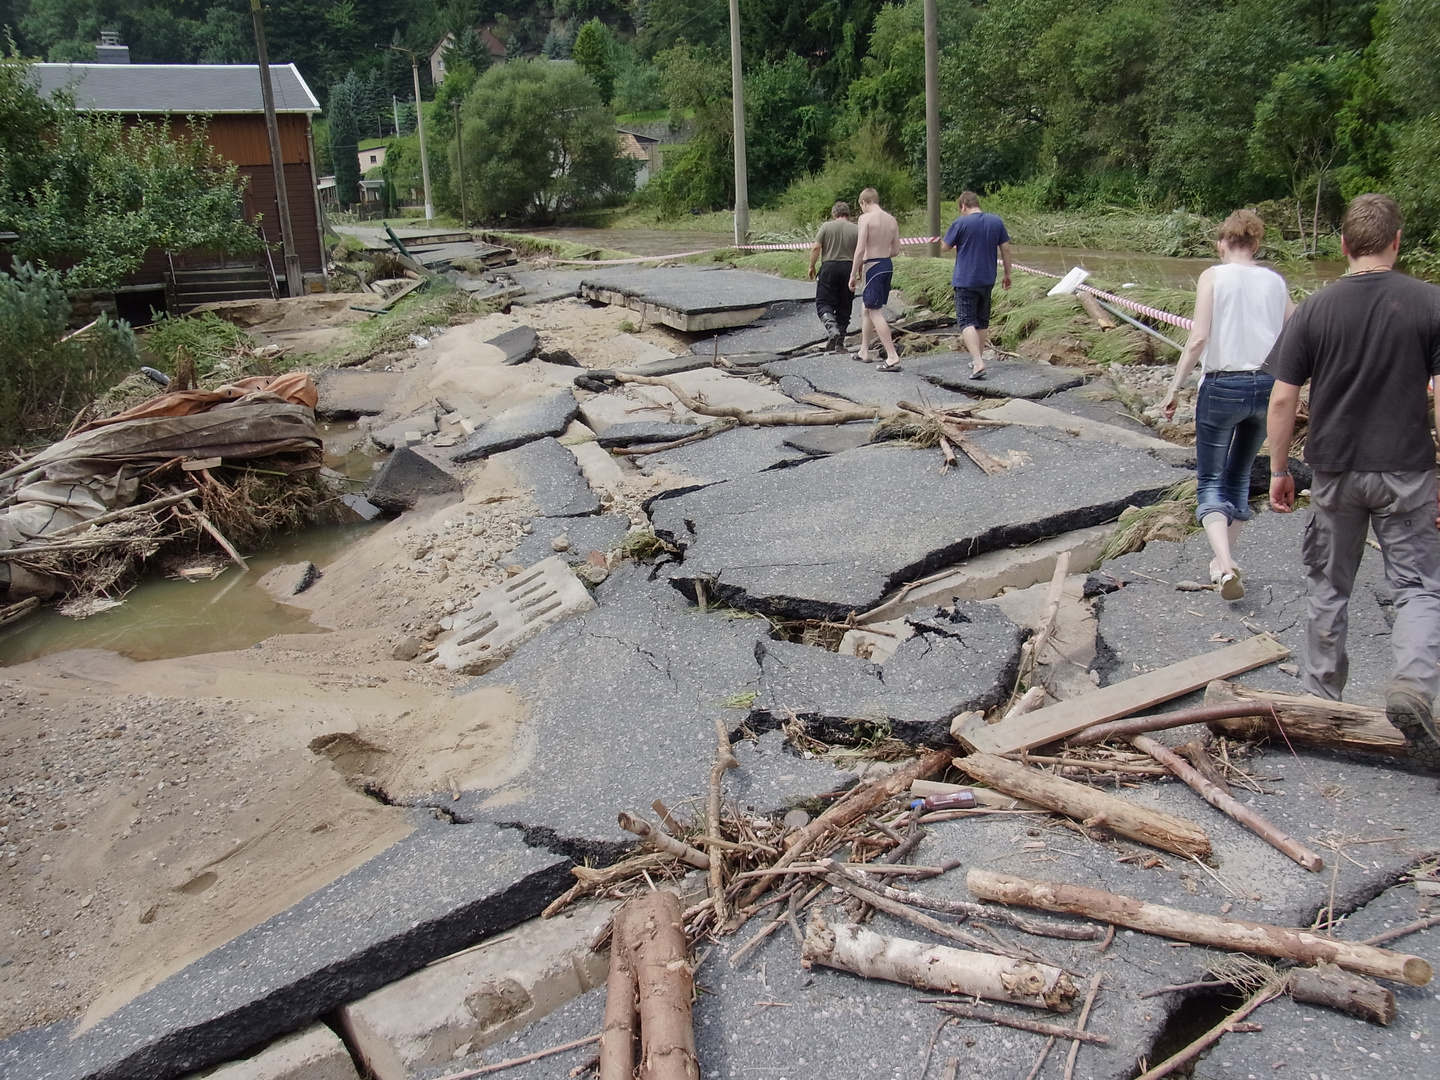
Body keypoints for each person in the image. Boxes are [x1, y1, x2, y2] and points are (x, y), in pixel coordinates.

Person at [1265, 193, 1440, 768]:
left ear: (1342, 246)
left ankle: (1322, 700)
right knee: (1418, 586)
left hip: (1336, 469)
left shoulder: (1316, 308)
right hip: (1408, 469)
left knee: (1328, 586)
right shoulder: (1429, 303)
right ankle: (1413, 684)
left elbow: (1284, 396)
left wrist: (1279, 469)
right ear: (1396, 242)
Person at [1160, 209, 1294, 602]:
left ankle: (1224, 561)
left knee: (1210, 481)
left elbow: (1199, 338)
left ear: (1222, 243)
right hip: (1268, 385)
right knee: (1239, 478)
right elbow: (1298, 326)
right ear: (1256, 244)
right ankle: (1224, 563)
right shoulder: (1274, 280)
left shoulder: (1213, 276)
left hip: (1222, 385)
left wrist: (1174, 386)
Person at [941, 191, 1012, 379]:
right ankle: (977, 359)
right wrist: (1007, 273)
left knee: (966, 321)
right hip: (988, 278)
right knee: (981, 321)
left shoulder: (960, 223)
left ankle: (978, 362)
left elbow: (945, 247)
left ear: (963, 206)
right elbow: (1005, 248)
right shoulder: (996, 221)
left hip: (965, 279)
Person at [848, 188, 903, 371]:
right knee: (867, 308)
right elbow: (895, 250)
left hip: (872, 266)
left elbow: (860, 248)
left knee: (874, 311)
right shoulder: (891, 220)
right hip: (886, 265)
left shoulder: (865, 219)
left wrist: (853, 273)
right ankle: (864, 349)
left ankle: (892, 355)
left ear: (863, 202)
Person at [808, 201, 859, 351]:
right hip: (849, 268)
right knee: (845, 305)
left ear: (834, 214)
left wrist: (812, 265)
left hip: (829, 267)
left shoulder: (826, 226)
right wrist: (860, 271)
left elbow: (816, 247)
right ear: (848, 215)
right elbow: (860, 251)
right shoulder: (856, 229)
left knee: (823, 302)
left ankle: (832, 329)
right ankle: (839, 343)